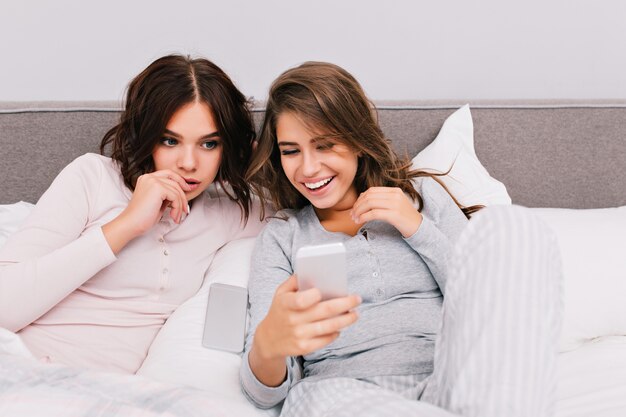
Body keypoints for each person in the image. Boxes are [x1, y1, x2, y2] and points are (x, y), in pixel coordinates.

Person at [240, 62, 562, 417]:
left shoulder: (421, 196)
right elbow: (263, 395)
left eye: (325, 145)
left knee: (516, 227)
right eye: (291, 151)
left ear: (357, 141)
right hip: (338, 391)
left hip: (444, 379)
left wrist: (417, 227)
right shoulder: (283, 235)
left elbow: (481, 304)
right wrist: (268, 346)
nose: (309, 168)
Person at [0, 54, 264, 374]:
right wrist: (126, 225)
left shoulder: (229, 214)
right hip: (17, 364)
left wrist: (251, 161)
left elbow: (304, 207)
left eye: (209, 144)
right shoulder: (93, 177)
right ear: (147, 137)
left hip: (104, 395)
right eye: (170, 140)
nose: (189, 163)